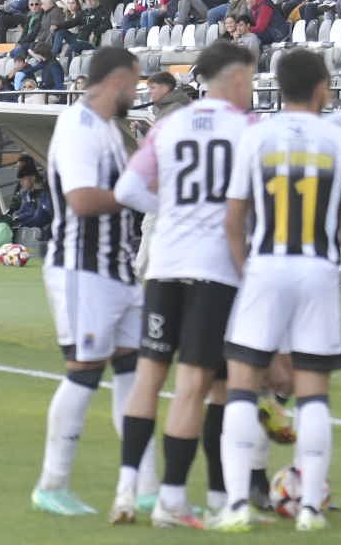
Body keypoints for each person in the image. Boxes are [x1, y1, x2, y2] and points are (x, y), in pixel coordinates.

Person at [213, 50, 341, 532]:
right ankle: (310, 507)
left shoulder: (256, 137)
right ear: (322, 88)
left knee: (241, 390)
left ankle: (234, 505)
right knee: (314, 393)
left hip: (266, 266)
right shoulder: (340, 141)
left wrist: (243, 270)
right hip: (318, 269)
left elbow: (233, 218)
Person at [108, 41, 258, 528]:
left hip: (164, 264)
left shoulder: (168, 126)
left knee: (150, 375)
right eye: (250, 80)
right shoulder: (248, 128)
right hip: (215, 267)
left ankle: (128, 488)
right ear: (235, 79)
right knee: (196, 383)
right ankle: (174, 496)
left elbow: (128, 190)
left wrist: (171, 210)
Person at [32, 48, 146, 518]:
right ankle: (52, 483)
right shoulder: (79, 128)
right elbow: (81, 200)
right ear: (117, 80)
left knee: (133, 375)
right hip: (82, 268)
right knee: (84, 371)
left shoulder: (107, 130)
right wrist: (142, 196)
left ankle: (144, 484)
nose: (137, 92)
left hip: (117, 269)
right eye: (135, 84)